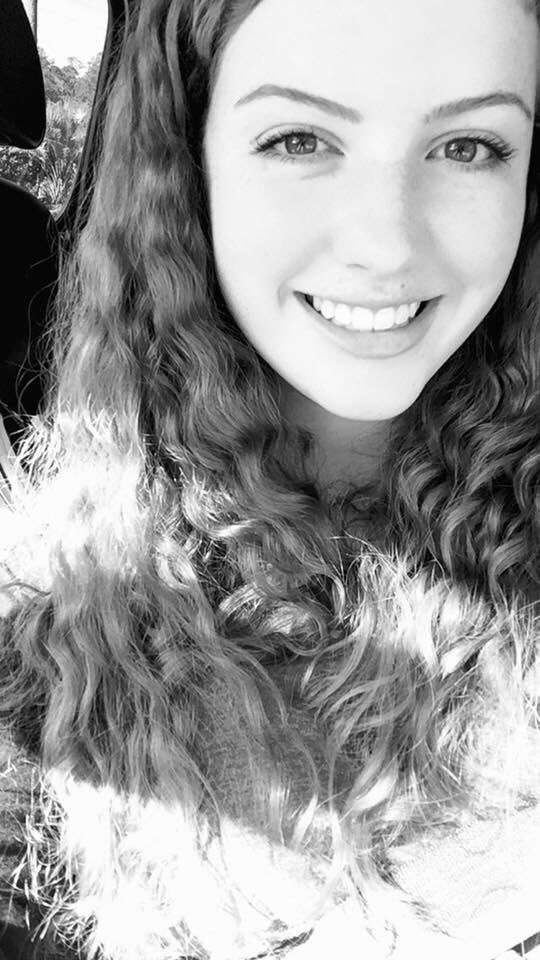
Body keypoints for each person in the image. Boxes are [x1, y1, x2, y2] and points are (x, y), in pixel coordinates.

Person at [0, 0, 539, 957]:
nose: (385, 243)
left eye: (468, 147)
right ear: (188, 166)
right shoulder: (36, 641)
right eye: (299, 140)